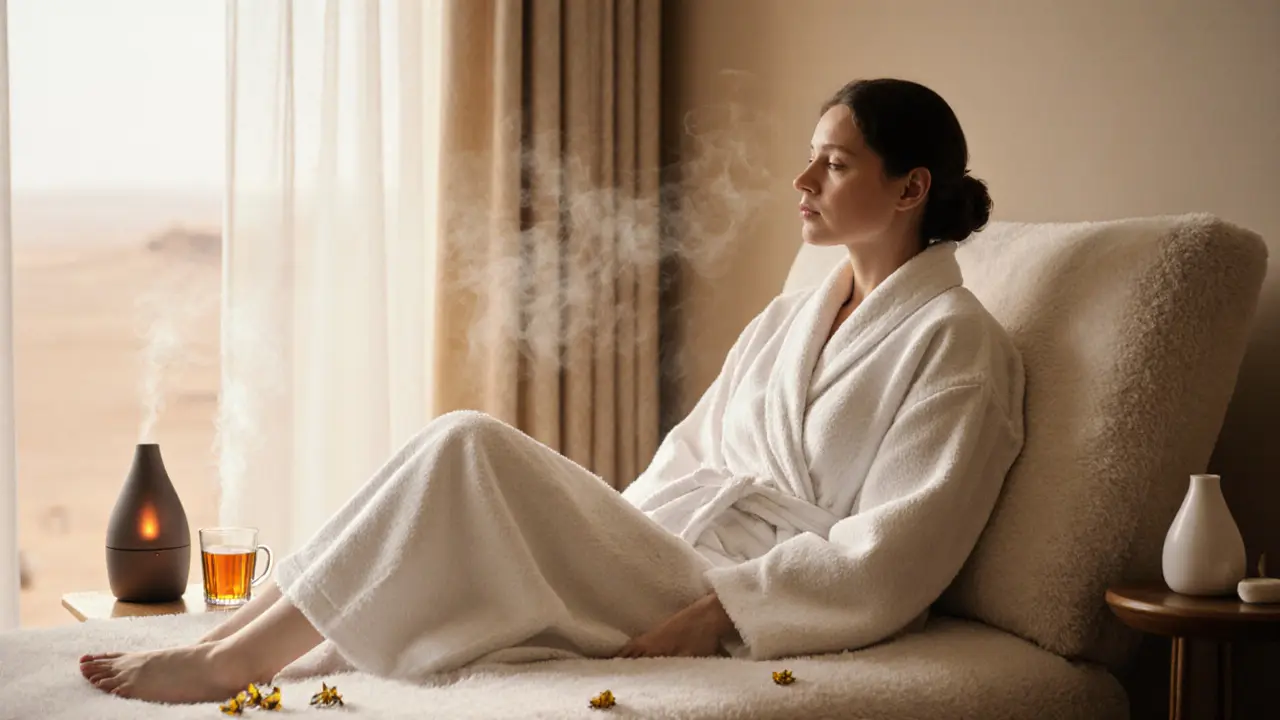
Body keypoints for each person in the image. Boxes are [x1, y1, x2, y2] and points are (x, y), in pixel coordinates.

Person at [79, 77, 1025, 704]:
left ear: (910, 190)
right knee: (443, 461)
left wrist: (713, 614)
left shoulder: (960, 347)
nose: (802, 178)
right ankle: (242, 632)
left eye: (837, 162)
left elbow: (895, 556)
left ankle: (227, 662)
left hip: (737, 592)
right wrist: (599, 536)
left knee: (466, 446)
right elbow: (691, 457)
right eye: (812, 155)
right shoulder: (789, 320)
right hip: (673, 549)